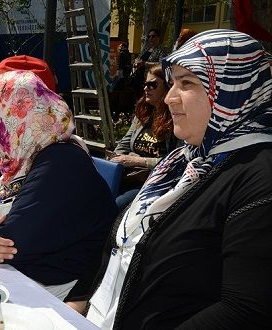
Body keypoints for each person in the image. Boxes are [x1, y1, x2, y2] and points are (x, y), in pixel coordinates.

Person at [65, 30, 272, 328]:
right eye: (172, 82)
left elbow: (246, 308)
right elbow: (121, 248)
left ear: (233, 88)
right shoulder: (181, 161)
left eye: (187, 83)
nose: (170, 96)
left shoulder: (259, 176)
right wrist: (79, 301)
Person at [0, 70, 117, 300]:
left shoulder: (62, 162)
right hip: (21, 276)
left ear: (15, 116)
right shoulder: (11, 158)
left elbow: (11, 244)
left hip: (60, 291)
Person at [110, 65, 178, 210]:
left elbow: (177, 161)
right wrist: (115, 160)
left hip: (154, 181)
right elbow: (124, 144)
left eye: (152, 84)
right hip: (129, 175)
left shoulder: (176, 120)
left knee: (116, 205)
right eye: (145, 84)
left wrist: (138, 161)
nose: (146, 88)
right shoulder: (143, 114)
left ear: (167, 87)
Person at [130, 28, 168, 97]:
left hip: (150, 80)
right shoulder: (146, 49)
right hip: (138, 79)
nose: (151, 38)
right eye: (149, 37)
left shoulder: (162, 50)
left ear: (159, 37)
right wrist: (136, 62)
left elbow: (162, 64)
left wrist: (145, 64)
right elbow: (138, 58)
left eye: (153, 36)